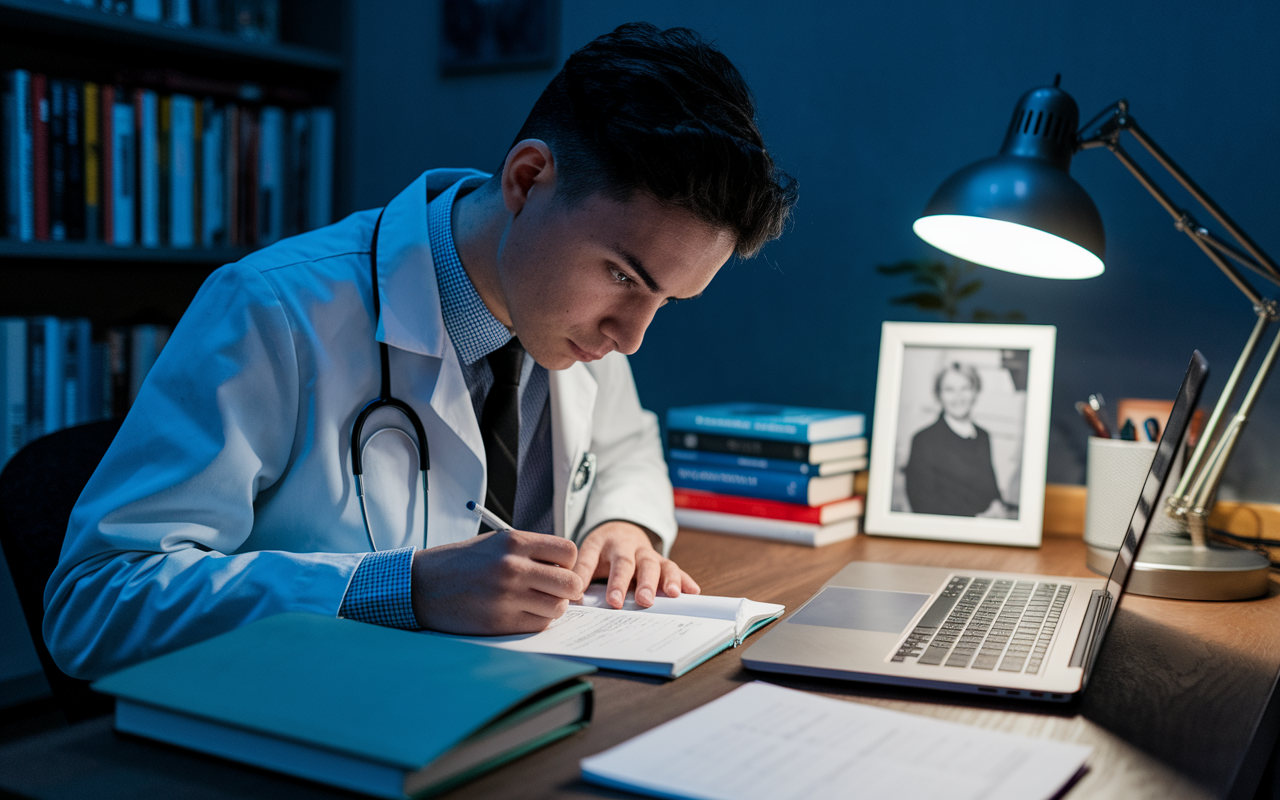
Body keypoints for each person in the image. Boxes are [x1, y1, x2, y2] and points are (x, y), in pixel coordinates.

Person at [44, 23, 797, 680]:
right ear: (528, 179)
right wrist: (399, 591)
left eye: (665, 299)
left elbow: (628, 447)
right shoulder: (273, 308)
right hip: (316, 724)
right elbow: (97, 602)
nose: (629, 336)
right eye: (623, 277)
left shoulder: (576, 318)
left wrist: (625, 528)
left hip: (510, 709)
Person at [904, 362, 1006, 517]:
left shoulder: (983, 436)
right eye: (949, 390)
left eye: (965, 388)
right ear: (939, 395)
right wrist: (976, 520)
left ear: (975, 391)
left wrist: (997, 505)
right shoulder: (923, 440)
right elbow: (922, 506)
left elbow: (992, 491)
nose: (958, 397)